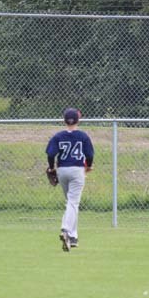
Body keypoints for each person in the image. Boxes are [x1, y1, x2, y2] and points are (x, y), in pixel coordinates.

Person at [46, 108, 94, 252]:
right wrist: (89, 166)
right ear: (78, 120)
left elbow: (50, 153)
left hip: (62, 170)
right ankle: (66, 229)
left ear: (64, 120)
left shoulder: (58, 136)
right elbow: (89, 154)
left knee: (71, 203)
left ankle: (73, 238)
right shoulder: (83, 136)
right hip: (77, 170)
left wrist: (51, 167)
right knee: (73, 202)